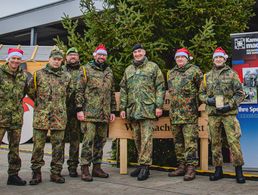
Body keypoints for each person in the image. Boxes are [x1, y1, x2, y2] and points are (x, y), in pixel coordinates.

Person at [199, 47, 246, 184]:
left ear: (225, 59)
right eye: (216, 58)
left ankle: (239, 170)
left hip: (228, 115)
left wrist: (229, 105)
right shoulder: (207, 76)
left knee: (233, 142)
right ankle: (218, 170)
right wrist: (208, 100)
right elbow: (201, 93)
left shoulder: (232, 74)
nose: (218, 59)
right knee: (215, 142)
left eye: (220, 57)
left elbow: (240, 94)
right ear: (213, 60)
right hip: (213, 115)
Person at [119, 44, 165, 181]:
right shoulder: (128, 70)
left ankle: (145, 167)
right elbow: (123, 89)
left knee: (146, 139)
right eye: (135, 52)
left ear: (144, 52)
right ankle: (141, 163)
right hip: (133, 110)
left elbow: (160, 87)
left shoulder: (153, 67)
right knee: (137, 139)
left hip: (147, 109)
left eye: (139, 51)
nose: (137, 54)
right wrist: (122, 108)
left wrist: (159, 106)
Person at [28, 49, 71, 185]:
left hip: (59, 117)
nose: (57, 62)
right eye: (55, 59)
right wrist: (42, 105)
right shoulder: (38, 75)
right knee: (38, 146)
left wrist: (59, 106)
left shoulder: (66, 76)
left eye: (59, 60)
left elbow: (69, 95)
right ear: (49, 59)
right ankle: (36, 173)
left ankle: (56, 173)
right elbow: (31, 92)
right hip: (42, 116)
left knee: (58, 146)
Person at [76, 44, 116, 182]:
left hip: (104, 113)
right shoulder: (86, 69)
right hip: (89, 113)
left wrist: (113, 110)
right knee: (88, 141)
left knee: (101, 141)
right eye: (99, 54)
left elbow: (111, 92)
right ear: (94, 55)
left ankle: (97, 167)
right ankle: (85, 168)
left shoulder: (109, 71)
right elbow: (79, 90)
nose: (101, 57)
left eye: (104, 55)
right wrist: (79, 109)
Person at [167, 48, 203, 181]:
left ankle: (191, 168)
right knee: (178, 143)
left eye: (182, 57)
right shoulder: (171, 73)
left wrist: (194, 105)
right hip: (175, 115)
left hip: (189, 115)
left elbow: (202, 91)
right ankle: (181, 166)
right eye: (177, 57)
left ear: (187, 58)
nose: (180, 59)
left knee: (190, 143)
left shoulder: (195, 71)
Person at [0, 48, 28, 186]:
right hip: (1, 116)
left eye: (18, 59)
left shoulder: (23, 76)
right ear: (8, 59)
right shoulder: (0, 73)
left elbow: (24, 94)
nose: (16, 61)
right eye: (13, 58)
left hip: (16, 117)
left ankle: (13, 175)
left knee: (14, 148)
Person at [63, 47, 81, 177]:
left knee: (75, 140)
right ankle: (56, 167)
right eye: (70, 55)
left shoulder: (83, 71)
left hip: (76, 111)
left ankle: (73, 166)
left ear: (78, 57)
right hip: (61, 111)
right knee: (58, 140)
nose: (72, 57)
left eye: (75, 55)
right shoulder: (60, 70)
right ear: (66, 58)